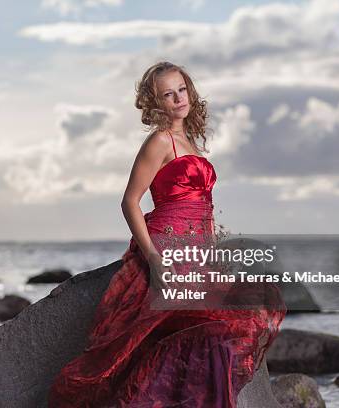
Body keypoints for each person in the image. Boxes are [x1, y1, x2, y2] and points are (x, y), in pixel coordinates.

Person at [48, 61, 286, 407]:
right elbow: (130, 202)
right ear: (156, 103)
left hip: (197, 255)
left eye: (181, 89)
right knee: (205, 334)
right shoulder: (159, 141)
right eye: (167, 94)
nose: (177, 99)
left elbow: (203, 207)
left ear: (189, 90)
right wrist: (155, 261)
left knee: (220, 331)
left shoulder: (187, 139)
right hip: (167, 249)